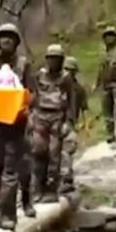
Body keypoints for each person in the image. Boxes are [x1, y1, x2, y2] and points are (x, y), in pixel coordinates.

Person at [0, 23, 36, 230]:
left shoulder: (24, 65)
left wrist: (25, 106)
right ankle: (1, 208)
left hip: (17, 126)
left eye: (11, 37)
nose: (6, 41)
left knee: (12, 170)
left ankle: (8, 214)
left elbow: (33, 92)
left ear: (16, 42)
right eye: (3, 37)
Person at [31, 44, 75, 202]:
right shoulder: (39, 75)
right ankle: (37, 188)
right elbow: (33, 95)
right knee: (38, 151)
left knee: (54, 154)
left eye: (57, 59)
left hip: (57, 116)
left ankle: (51, 190)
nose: (53, 62)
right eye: (51, 59)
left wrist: (68, 122)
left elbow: (71, 101)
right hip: (40, 115)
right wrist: (30, 115)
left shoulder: (66, 77)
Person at [95, 26, 116, 147]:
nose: (109, 38)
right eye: (107, 36)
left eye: (111, 36)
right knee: (106, 111)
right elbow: (100, 70)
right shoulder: (103, 53)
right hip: (105, 85)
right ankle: (110, 133)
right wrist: (97, 84)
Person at [60, 56, 88, 193]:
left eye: (71, 70)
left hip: (70, 124)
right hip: (52, 122)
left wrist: (85, 125)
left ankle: (67, 180)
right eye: (66, 69)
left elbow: (84, 108)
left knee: (66, 152)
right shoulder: (54, 85)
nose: (68, 73)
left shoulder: (79, 89)